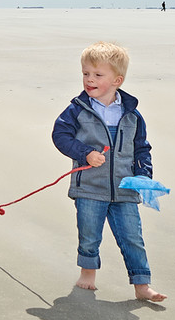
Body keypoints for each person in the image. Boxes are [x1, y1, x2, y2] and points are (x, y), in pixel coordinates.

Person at [51, 42, 166, 302]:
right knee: (89, 233)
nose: (89, 79)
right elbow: (60, 135)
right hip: (90, 187)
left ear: (117, 80)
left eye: (97, 75)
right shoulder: (77, 110)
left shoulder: (132, 115)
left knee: (132, 236)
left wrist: (144, 176)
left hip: (125, 188)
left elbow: (142, 148)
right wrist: (85, 153)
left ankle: (142, 285)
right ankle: (88, 273)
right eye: (85, 73)